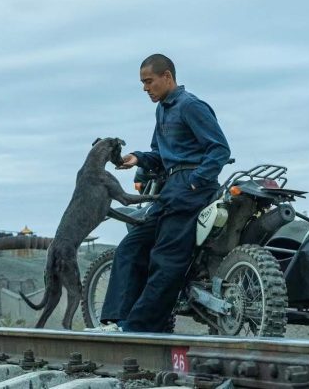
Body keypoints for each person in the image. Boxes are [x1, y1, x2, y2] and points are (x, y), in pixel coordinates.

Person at [98, 54, 231, 333]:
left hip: (191, 188)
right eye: (142, 83)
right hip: (168, 188)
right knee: (130, 246)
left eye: (149, 81)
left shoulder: (190, 106)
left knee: (165, 258)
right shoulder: (162, 110)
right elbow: (159, 155)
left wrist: (195, 181)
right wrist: (137, 158)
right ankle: (116, 321)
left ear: (167, 77)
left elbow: (219, 149)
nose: (145, 88)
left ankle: (138, 328)